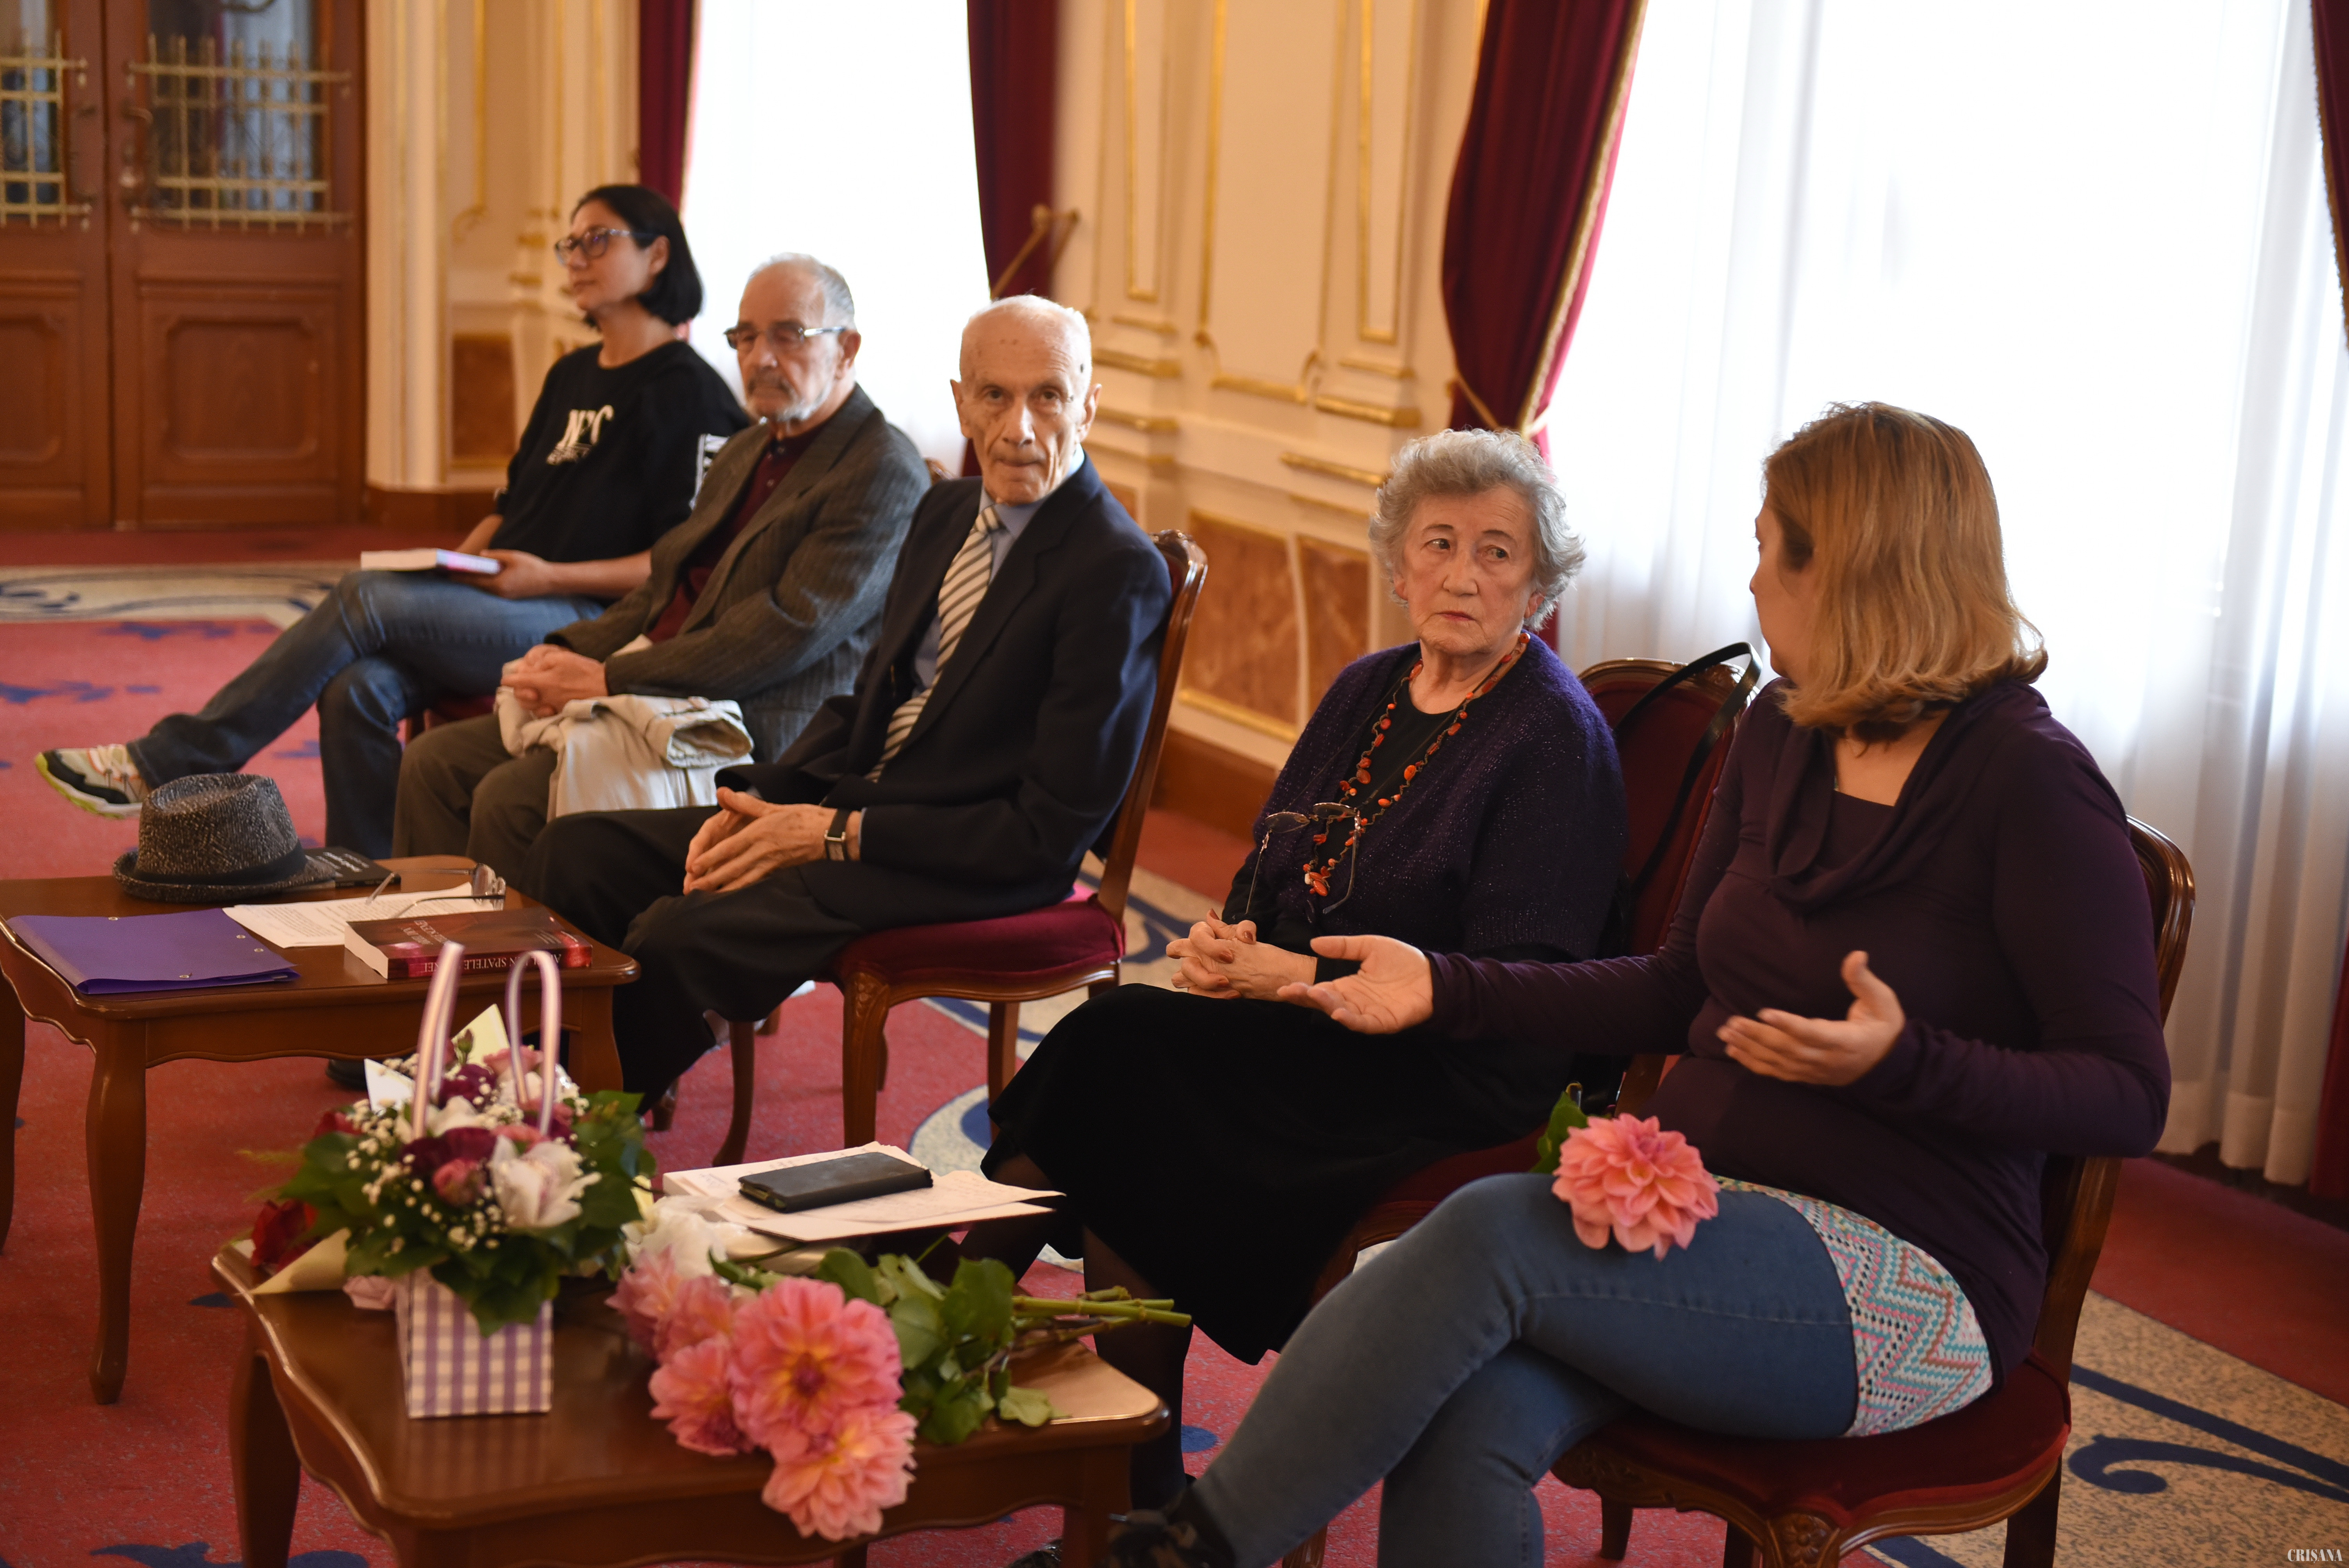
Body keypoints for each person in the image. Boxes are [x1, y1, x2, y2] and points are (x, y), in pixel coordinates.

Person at [1099, 403, 2174, 1568]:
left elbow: (2126, 1095)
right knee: (1460, 1418)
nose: (1749, 583)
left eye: (1767, 550)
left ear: (1852, 570)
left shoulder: (2032, 783)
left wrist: (1905, 1060)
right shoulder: (1783, 730)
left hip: (1903, 1275)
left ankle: (1189, 1553)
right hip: (1703, 1207)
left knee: (1489, 1229)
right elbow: (1672, 990)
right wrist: (1442, 985)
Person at [964, 428, 1627, 1512]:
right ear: (1399, 564)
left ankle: (949, 1332)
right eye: (1440, 543)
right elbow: (1271, 865)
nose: (1463, 575)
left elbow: (1518, 994)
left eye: (1498, 552)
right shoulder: (1369, 689)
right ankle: (1107, 1459)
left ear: (1540, 585)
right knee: (1123, 1077)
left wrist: (1288, 979)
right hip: (1302, 1025)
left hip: (1442, 1065)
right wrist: (1230, 943)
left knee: (1119, 1057)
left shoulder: (1552, 738)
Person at [526, 295, 1173, 1101]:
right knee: (577, 853)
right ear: (960, 403)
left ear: (1089, 405)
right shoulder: (944, 512)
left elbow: (1043, 836)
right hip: (859, 809)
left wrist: (833, 834)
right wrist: (762, 804)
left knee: (677, 934)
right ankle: (525, 1085)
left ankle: (573, 1134)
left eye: (1048, 396)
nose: (1019, 428)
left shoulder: (1113, 569)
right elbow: (864, 704)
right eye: (994, 396)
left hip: (968, 859)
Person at [35, 185, 747, 857]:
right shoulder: (572, 374)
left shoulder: (689, 393)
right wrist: (448, 574)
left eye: (599, 240)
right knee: (358, 687)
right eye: (570, 244)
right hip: (505, 600)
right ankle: (368, 877)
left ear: (658, 254)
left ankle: (170, 761)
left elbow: (679, 562)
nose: (577, 258)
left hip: (585, 619)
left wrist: (545, 578)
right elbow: (511, 506)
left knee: (363, 598)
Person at [391, 253, 929, 882]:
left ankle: (524, 950)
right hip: (655, 695)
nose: (760, 358)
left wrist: (609, 677)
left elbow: (783, 632)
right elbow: (663, 587)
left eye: (789, 335)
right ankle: (431, 936)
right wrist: (565, 651)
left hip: (747, 725)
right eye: (746, 337)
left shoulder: (881, 468)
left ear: (847, 349)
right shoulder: (748, 448)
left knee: (511, 800)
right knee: (433, 762)